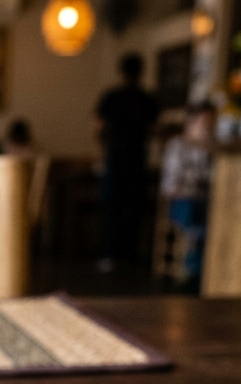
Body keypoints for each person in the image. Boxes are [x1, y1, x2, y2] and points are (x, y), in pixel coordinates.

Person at [95, 53, 159, 269]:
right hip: (136, 159)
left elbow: (98, 127)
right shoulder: (146, 99)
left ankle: (110, 254)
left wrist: (102, 152)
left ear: (121, 72)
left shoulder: (112, 97)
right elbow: (153, 130)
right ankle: (128, 255)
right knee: (132, 208)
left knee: (113, 207)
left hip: (117, 158)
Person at [159, 103, 216, 289]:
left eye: (212, 122)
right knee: (197, 213)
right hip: (182, 200)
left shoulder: (212, 149)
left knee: (213, 211)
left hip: (204, 200)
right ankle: (193, 273)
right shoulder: (177, 146)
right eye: (204, 122)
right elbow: (171, 185)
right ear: (191, 122)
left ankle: (204, 272)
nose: (208, 127)